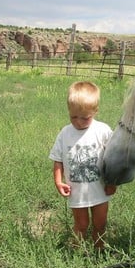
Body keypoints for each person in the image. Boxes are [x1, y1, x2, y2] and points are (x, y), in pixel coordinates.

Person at [49, 81, 116, 251]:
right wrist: (58, 181)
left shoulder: (103, 131)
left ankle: (99, 250)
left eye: (85, 118)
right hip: (76, 191)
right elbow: (58, 159)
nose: (78, 122)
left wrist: (112, 182)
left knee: (100, 224)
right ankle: (76, 252)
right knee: (81, 225)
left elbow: (112, 158)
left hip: (100, 190)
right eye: (73, 117)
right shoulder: (65, 134)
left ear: (95, 111)